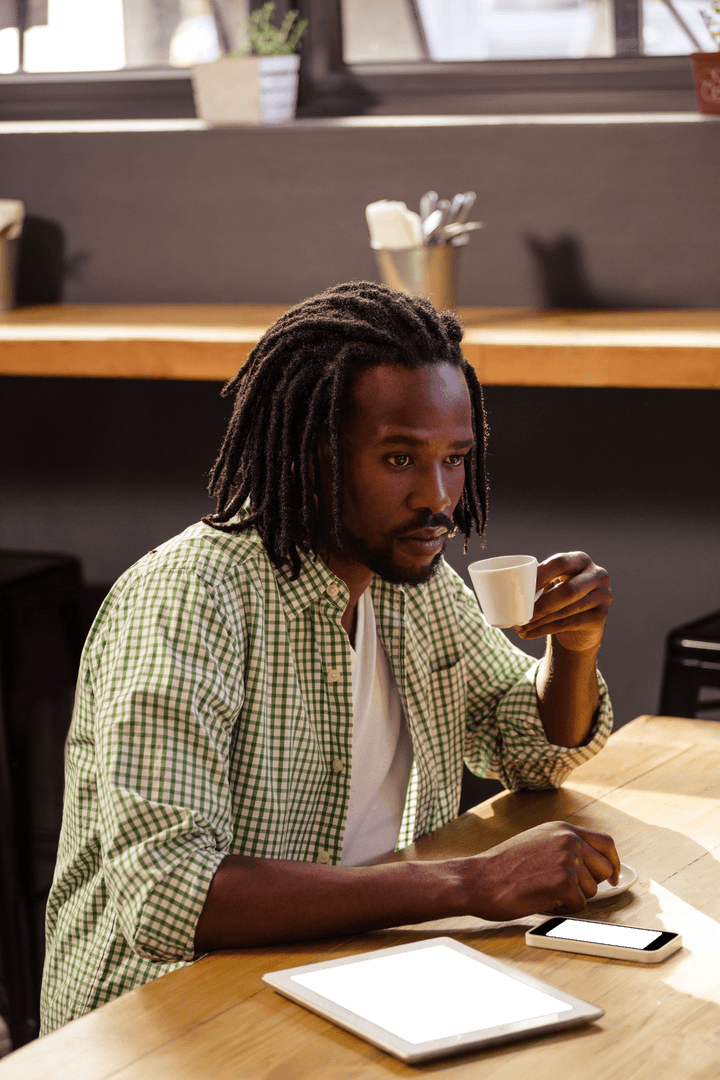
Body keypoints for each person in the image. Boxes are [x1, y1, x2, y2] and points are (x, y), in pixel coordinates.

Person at [40, 281, 618, 1035]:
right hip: (165, 1018)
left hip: (346, 967)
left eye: (454, 458)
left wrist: (573, 650)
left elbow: (526, 748)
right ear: (314, 453)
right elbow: (169, 891)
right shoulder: (188, 601)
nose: (438, 497)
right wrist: (470, 882)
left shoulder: (414, 585)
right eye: (400, 458)